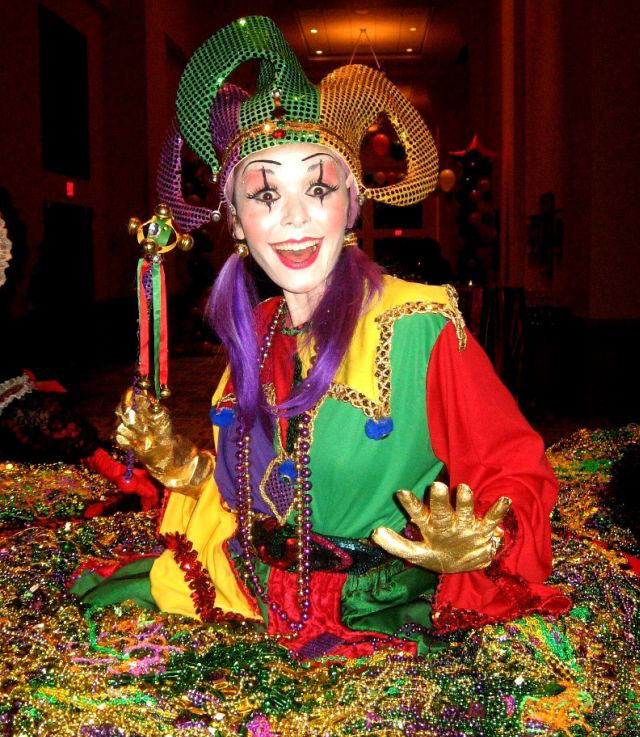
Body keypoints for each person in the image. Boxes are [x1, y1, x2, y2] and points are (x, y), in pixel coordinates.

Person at [97, 15, 572, 659]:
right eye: (265, 195)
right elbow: (257, 492)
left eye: (317, 188)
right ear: (236, 220)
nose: (294, 218)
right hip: (245, 599)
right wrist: (180, 466)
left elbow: (517, 471)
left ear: (350, 203)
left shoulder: (421, 327)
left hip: (374, 623)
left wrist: (486, 538)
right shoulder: (257, 332)